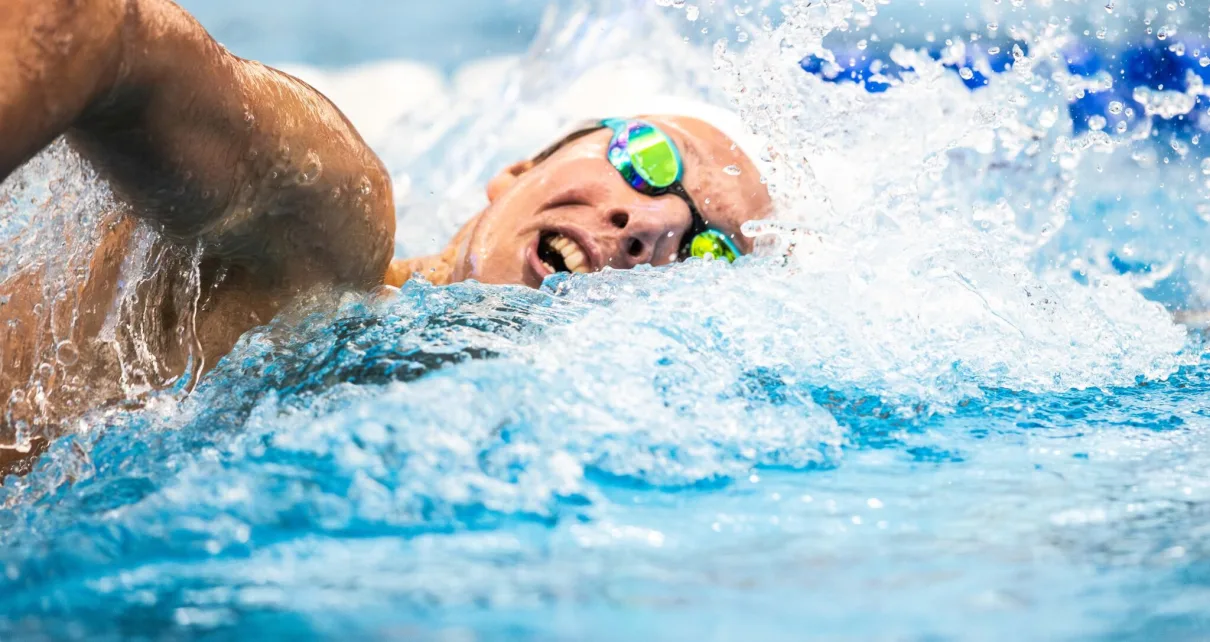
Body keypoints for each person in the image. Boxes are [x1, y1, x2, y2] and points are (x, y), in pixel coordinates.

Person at [0, 0, 773, 475]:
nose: (650, 224)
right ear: (518, 169)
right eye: (647, 158)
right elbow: (89, 23)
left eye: (708, 248)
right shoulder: (328, 225)